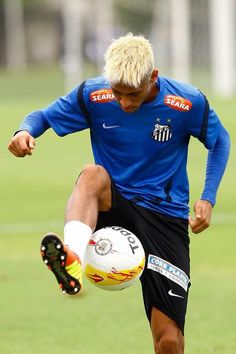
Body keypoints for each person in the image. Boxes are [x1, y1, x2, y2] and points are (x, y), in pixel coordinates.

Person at [8, 33, 230, 354]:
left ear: (153, 77)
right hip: (115, 205)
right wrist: (24, 131)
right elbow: (42, 116)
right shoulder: (94, 94)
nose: (124, 102)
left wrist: (207, 197)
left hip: (165, 217)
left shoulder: (185, 103)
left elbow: (220, 140)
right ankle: (71, 258)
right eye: (118, 93)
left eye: (134, 94)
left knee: (168, 341)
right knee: (92, 175)